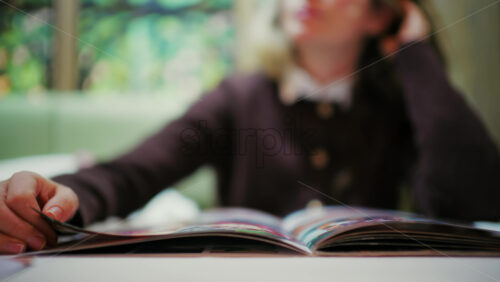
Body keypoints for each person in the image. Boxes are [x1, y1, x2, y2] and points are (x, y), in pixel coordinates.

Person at [1, 0, 499, 254]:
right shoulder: (239, 98)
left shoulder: (397, 104)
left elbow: (476, 199)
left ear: (379, 16)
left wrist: (414, 55)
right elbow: (135, 172)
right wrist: (59, 199)